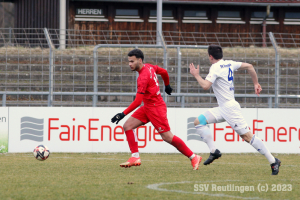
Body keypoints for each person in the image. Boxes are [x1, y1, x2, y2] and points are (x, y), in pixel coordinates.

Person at [189, 44, 281, 175]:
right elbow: (250, 66)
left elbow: (205, 86)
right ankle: (214, 151)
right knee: (199, 122)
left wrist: (196, 75)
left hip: (230, 109)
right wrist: (256, 83)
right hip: (223, 107)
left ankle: (273, 161)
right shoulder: (229, 63)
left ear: (210, 56)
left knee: (248, 136)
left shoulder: (215, 67)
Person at [111, 49, 202, 170]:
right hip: (148, 106)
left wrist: (122, 114)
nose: (130, 64)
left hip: (155, 108)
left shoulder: (142, 77)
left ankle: (193, 156)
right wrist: (167, 85)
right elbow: (164, 72)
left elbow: (138, 101)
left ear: (140, 60)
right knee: (128, 126)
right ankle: (135, 157)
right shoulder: (149, 67)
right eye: (129, 61)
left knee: (167, 137)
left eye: (132, 61)